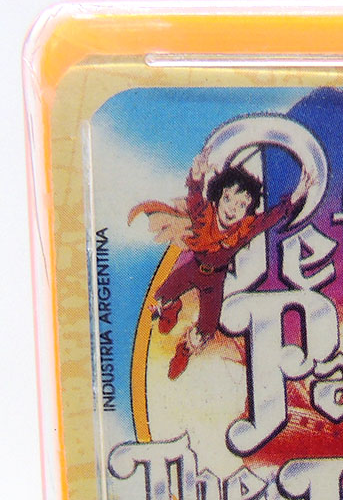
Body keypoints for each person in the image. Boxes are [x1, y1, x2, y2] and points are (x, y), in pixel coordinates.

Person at [128, 156, 300, 379]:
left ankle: (184, 351)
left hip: (214, 282)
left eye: (241, 205)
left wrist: (296, 196)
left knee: (206, 329)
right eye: (228, 198)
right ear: (218, 197)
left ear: (247, 211)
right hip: (193, 269)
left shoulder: (243, 230)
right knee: (159, 299)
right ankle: (172, 308)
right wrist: (197, 175)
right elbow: (194, 194)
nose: (232, 208)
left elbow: (269, 218)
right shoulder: (202, 215)